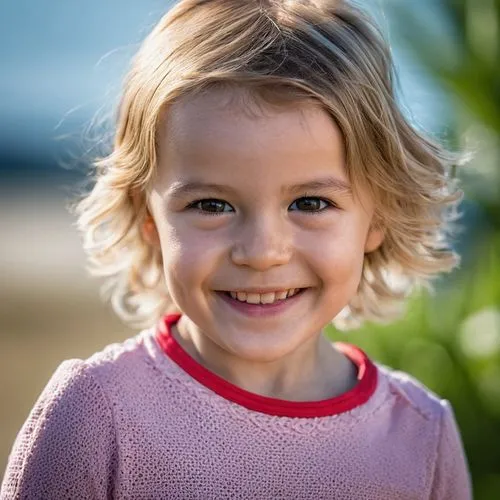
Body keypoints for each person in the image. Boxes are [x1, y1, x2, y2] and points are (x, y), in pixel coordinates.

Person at [1, 0, 471, 498]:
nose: (262, 251)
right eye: (211, 204)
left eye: (310, 202)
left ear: (378, 215)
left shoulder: (422, 435)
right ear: (148, 218)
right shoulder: (96, 416)